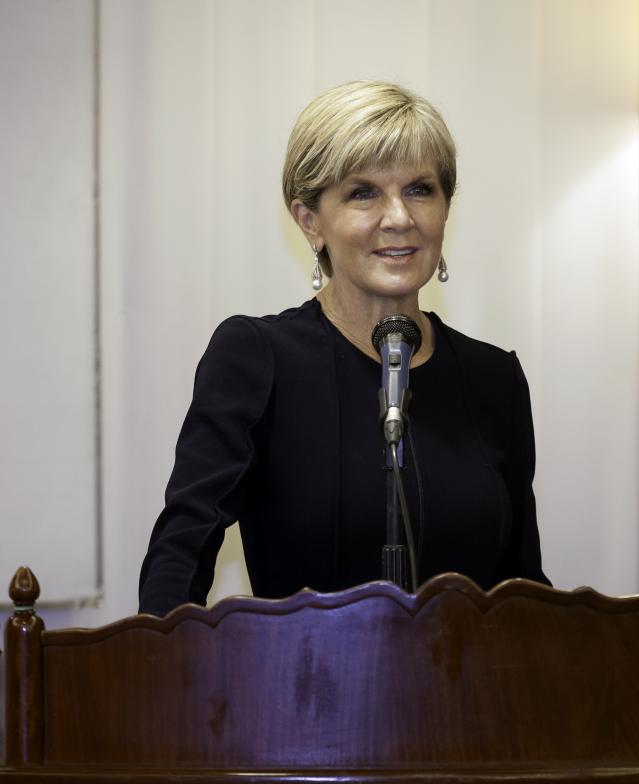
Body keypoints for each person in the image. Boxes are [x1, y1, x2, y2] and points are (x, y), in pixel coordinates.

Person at [138, 81, 547, 616]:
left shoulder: (494, 378)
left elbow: (524, 587)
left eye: (421, 189)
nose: (399, 217)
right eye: (363, 192)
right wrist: (168, 679)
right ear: (310, 222)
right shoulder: (259, 359)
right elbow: (181, 554)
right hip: (303, 691)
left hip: (465, 695)